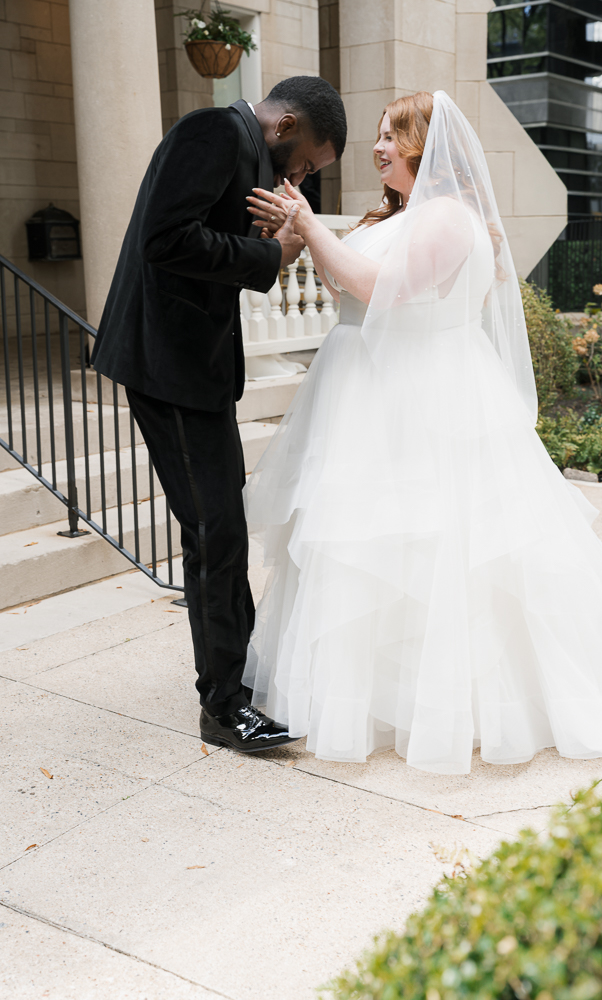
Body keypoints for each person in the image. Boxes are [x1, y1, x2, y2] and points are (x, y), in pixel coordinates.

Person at [242, 89, 602, 775]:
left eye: (389, 135)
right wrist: (305, 233)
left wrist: (311, 226)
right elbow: (344, 285)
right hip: (364, 386)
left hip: (415, 393)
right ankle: (370, 695)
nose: (377, 147)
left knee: (431, 541)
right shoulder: (404, 214)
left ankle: (450, 701)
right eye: (379, 135)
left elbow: (382, 290)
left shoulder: (446, 218)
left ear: (423, 145)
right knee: (361, 541)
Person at [91, 77, 347, 753]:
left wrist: (251, 232)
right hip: (165, 365)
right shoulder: (211, 131)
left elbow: (195, 239)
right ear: (286, 125)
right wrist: (272, 252)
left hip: (193, 370)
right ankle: (224, 705)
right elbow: (164, 239)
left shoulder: (239, 150)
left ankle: (241, 677)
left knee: (221, 525)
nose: (300, 179)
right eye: (308, 164)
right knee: (215, 532)